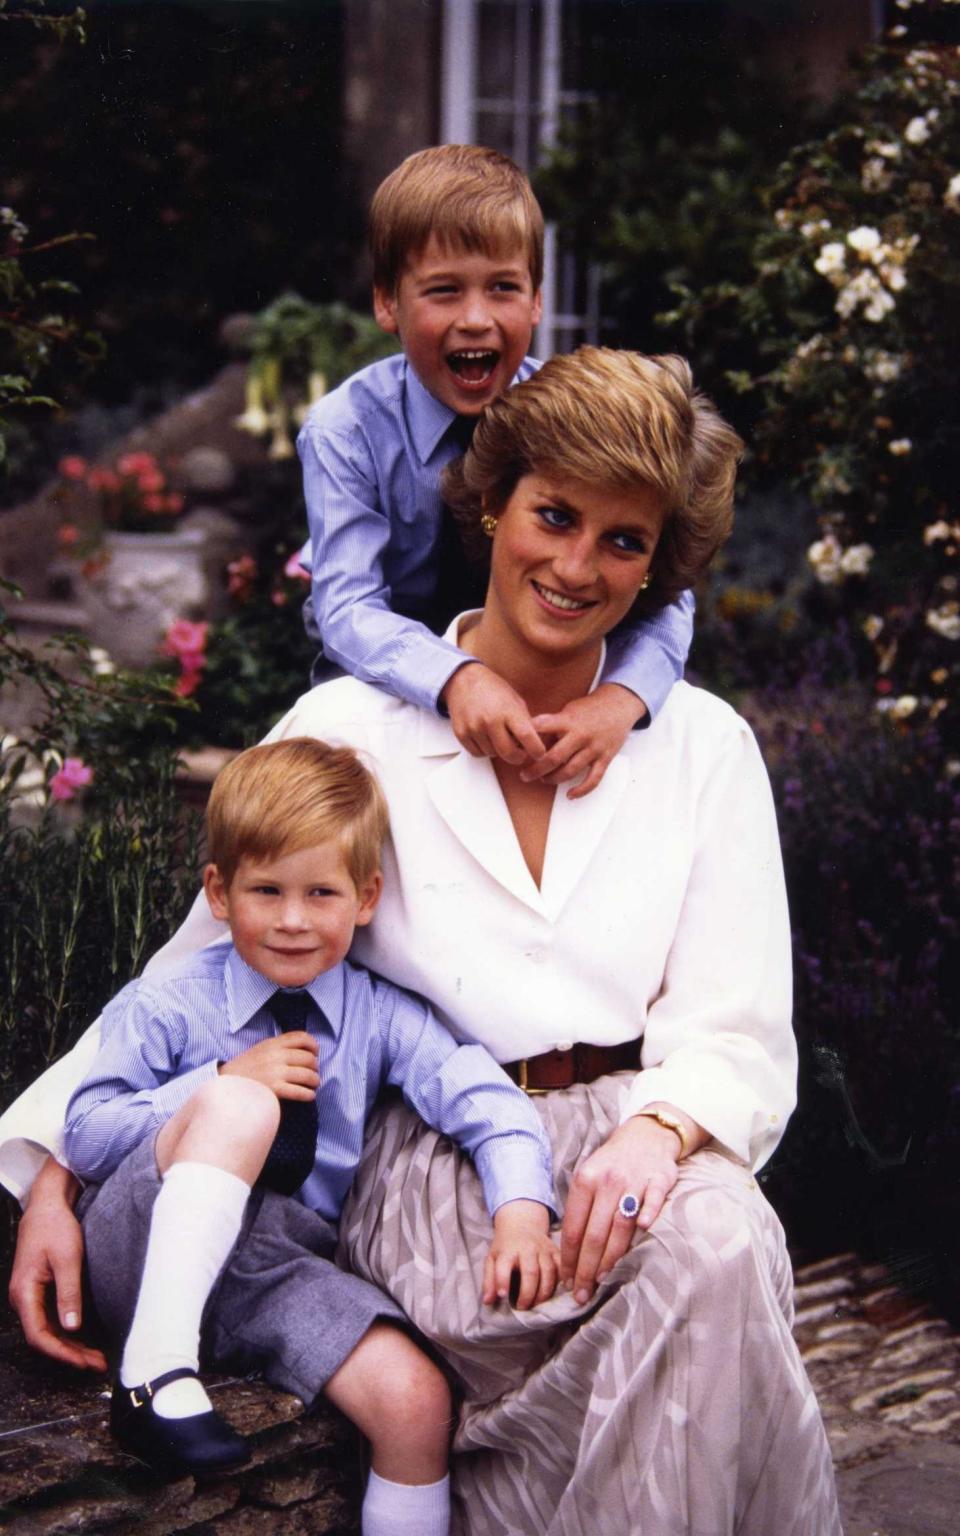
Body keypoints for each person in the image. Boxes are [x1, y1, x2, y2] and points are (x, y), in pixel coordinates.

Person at [2, 347, 842, 1534]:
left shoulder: (702, 746)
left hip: (634, 1153)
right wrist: (51, 1174)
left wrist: (658, 1132)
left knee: (718, 1242)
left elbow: (740, 1018)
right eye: (555, 516)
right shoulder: (353, 729)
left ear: (660, 566)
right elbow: (199, 969)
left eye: (624, 541)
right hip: (440, 1168)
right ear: (495, 501)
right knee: (711, 1283)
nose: (576, 566)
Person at [59, 737, 556, 1530]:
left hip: (271, 1266)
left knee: (415, 1399)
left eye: (321, 893)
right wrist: (215, 1085)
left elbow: (486, 1100)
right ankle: (150, 1378)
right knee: (243, 1108)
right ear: (219, 893)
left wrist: (523, 1207)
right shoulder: (169, 1001)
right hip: (141, 1245)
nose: (293, 921)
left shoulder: (380, 1015)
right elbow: (83, 1134)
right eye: (267, 891)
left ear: (365, 898)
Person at [298, 143, 695, 798]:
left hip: (549, 692)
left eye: (504, 288)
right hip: (384, 688)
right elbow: (346, 607)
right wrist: (457, 677)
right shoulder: (346, 430)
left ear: (537, 301)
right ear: (388, 303)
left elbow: (666, 584)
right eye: (444, 290)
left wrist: (621, 699)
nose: (476, 318)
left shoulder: (571, 414)